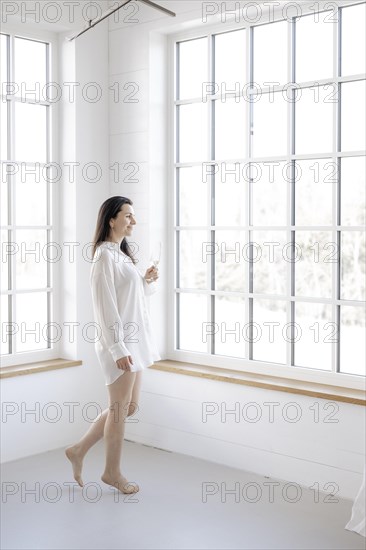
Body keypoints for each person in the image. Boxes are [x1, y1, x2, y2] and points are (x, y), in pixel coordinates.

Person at [65, 196, 161, 494]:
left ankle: (78, 449)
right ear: (111, 219)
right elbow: (105, 308)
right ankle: (112, 472)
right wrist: (118, 349)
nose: (133, 221)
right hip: (119, 344)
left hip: (135, 341)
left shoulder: (120, 255)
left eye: (134, 216)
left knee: (129, 406)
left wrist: (145, 281)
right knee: (119, 409)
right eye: (128, 216)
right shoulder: (104, 257)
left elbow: (129, 300)